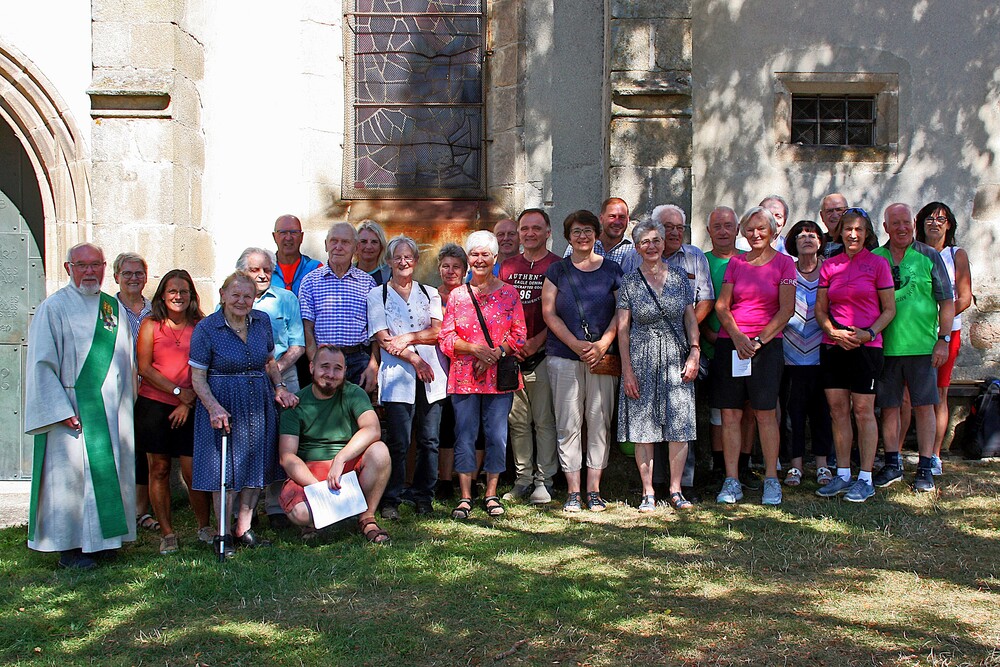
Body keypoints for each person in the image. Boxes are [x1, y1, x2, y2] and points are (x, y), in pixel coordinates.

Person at [25, 243, 136, 569]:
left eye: (96, 265)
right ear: (68, 267)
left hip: (109, 407)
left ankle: (104, 542)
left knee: (106, 473)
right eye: (82, 265)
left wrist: (124, 404)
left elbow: (125, 360)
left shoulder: (111, 309)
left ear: (105, 267)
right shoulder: (54, 308)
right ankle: (71, 547)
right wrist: (60, 409)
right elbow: (41, 365)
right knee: (70, 478)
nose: (90, 271)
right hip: (71, 406)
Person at [189, 272, 300, 553]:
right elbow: (197, 377)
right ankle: (222, 533)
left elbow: (270, 361)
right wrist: (213, 407)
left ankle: (245, 528)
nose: (241, 301)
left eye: (247, 296)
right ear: (223, 295)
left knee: (256, 464)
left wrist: (279, 387)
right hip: (223, 403)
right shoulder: (207, 328)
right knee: (223, 470)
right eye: (235, 295)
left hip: (257, 401)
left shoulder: (261, 321)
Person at [620, 204, 714, 493]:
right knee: (642, 428)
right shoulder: (629, 282)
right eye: (645, 241)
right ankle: (648, 491)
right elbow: (623, 329)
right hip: (641, 357)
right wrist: (627, 371)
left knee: (680, 426)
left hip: (676, 357)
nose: (652, 246)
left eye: (656, 240)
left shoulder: (678, 278)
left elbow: (690, 319)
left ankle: (676, 489)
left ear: (664, 244)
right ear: (636, 247)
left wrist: (695, 352)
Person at [439, 231, 526, 520]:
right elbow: (446, 338)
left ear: (495, 258)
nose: (479, 260)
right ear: (468, 259)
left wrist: (494, 355)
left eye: (484, 255)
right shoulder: (458, 296)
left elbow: (519, 336)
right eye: (474, 254)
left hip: (498, 378)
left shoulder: (509, 294)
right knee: (464, 435)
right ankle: (465, 496)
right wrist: (476, 350)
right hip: (464, 377)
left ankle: (491, 493)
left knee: (496, 436)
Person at [712, 206, 795, 505]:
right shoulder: (736, 263)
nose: (755, 234)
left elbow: (786, 309)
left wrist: (758, 341)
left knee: (764, 413)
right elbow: (722, 306)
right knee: (731, 413)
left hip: (766, 347)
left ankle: (772, 479)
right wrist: (737, 337)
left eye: (761, 228)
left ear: (773, 231)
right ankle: (731, 480)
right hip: (732, 344)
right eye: (750, 229)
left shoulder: (785, 264)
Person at [543, 210, 624, 512]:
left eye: (588, 230)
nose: (582, 236)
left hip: (602, 358)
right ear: (568, 236)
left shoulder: (612, 270)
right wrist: (575, 344)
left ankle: (594, 490)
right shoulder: (557, 271)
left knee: (599, 421)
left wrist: (603, 343)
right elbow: (549, 313)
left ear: (597, 234)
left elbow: (622, 312)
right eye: (576, 231)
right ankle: (573, 492)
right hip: (564, 357)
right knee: (568, 424)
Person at [813, 208, 896, 502]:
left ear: (867, 233)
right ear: (840, 232)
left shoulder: (878, 264)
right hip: (834, 346)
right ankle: (843, 474)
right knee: (838, 411)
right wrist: (832, 332)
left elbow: (889, 310)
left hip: (866, 347)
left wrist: (869, 333)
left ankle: (866, 477)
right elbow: (820, 310)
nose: (852, 234)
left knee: (863, 411)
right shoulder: (829, 266)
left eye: (859, 230)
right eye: (848, 229)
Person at [872, 203, 955, 492]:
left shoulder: (929, 256)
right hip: (885, 347)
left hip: (922, 347)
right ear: (885, 227)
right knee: (890, 408)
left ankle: (925, 466)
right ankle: (892, 464)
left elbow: (947, 301)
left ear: (913, 224)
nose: (902, 227)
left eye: (906, 222)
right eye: (895, 223)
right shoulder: (875, 258)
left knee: (924, 407)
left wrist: (943, 340)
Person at [278, 345, 392, 543]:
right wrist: (319, 490)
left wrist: (341, 458)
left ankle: (366, 517)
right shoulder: (296, 402)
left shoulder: (354, 393)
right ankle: (315, 520)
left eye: (337, 368)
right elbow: (287, 457)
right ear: (311, 367)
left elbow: (372, 429)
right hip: (310, 471)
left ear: (345, 371)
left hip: (346, 468)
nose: (330, 374)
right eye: (324, 367)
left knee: (379, 451)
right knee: (300, 513)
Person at [368, 235, 447, 518]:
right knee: (399, 441)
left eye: (408, 257)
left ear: (415, 261)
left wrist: (411, 337)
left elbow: (437, 332)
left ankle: (424, 495)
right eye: (397, 257)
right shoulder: (378, 295)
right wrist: (414, 357)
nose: (403, 262)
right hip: (397, 376)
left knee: (429, 440)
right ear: (388, 261)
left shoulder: (429, 293)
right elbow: (384, 338)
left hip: (432, 377)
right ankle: (391, 497)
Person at [135, 269, 213, 553]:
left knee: (194, 471)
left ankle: (204, 526)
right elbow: (144, 368)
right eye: (172, 291)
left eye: (184, 291)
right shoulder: (150, 325)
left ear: (192, 295)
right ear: (163, 295)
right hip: (154, 407)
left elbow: (205, 364)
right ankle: (167, 532)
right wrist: (179, 394)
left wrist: (186, 402)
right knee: (159, 469)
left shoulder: (202, 326)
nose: (178, 296)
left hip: (192, 406)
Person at [236, 247, 307, 529]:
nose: (263, 274)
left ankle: (277, 506)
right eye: (255, 270)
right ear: (243, 271)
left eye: (267, 269)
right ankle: (243, 510)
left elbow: (298, 344)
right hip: (246, 380)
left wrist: (274, 370)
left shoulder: (287, 298)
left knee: (283, 440)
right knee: (248, 442)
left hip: (285, 378)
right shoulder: (233, 299)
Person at [499, 209, 560, 504]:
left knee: (544, 420)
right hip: (512, 355)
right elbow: (498, 312)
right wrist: (512, 345)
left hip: (545, 353)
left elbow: (562, 313)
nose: (530, 233)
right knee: (518, 422)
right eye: (525, 228)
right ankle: (522, 479)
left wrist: (537, 341)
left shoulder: (558, 266)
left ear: (548, 232)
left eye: (537, 228)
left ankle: (544, 480)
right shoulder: (507, 267)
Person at [915, 202, 973, 475]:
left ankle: (935, 454)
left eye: (941, 219)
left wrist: (941, 322)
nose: (934, 223)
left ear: (949, 225)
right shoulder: (912, 252)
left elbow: (963, 297)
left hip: (945, 332)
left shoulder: (955, 254)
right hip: (913, 332)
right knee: (907, 395)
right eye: (929, 217)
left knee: (939, 392)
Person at [701, 206, 756, 482]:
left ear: (738, 230)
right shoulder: (702, 261)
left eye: (728, 225)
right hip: (711, 346)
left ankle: (743, 465)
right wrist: (706, 333)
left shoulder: (750, 261)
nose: (723, 231)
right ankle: (720, 466)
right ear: (708, 231)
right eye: (717, 226)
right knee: (719, 409)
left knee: (747, 407)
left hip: (745, 347)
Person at [780, 220, 834, 487]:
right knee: (793, 412)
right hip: (790, 352)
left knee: (822, 411)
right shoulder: (786, 271)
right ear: (793, 242)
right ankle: (795, 465)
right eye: (800, 235)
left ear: (820, 241)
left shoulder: (830, 270)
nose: (806, 239)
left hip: (824, 352)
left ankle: (823, 465)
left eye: (812, 234)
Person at [299, 222, 378, 390]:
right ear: (326, 244)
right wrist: (315, 363)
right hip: (324, 361)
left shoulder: (368, 283)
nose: (338, 247)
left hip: (358, 361)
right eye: (333, 241)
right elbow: (307, 329)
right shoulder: (310, 281)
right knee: (325, 414)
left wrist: (373, 365)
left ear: (356, 248)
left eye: (345, 242)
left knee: (357, 414)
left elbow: (375, 330)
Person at [112, 252, 156, 534]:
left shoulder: (155, 310)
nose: (133, 278)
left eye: (138, 273)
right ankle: (118, 507)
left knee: (144, 451)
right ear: (116, 277)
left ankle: (141, 510)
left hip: (151, 389)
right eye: (127, 273)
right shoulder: (106, 309)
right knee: (119, 448)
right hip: (117, 389)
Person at [435, 243, 469, 499]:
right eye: (446, 266)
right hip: (439, 370)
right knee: (445, 424)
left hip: (468, 370)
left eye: (456, 266)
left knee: (469, 425)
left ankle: (469, 478)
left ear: (465, 270)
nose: (450, 271)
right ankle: (444, 480)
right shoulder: (431, 296)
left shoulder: (472, 296)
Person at [563, 198, 633, 264]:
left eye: (622, 217)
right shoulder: (580, 244)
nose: (617, 222)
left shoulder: (634, 250)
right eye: (612, 216)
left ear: (628, 220)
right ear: (601, 219)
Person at [272, 214, 322, 295]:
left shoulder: (315, 269)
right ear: (274, 237)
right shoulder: (265, 270)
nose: (288, 238)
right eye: (283, 233)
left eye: (294, 232)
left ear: (301, 237)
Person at [355, 219, 392, 286]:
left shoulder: (390, 274)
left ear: (381, 245)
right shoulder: (347, 272)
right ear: (355, 244)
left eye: (374, 242)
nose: (369, 247)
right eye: (363, 241)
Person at [819, 193, 850, 258]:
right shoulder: (816, 242)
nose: (835, 215)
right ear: (822, 216)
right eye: (829, 211)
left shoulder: (860, 240)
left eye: (839, 210)